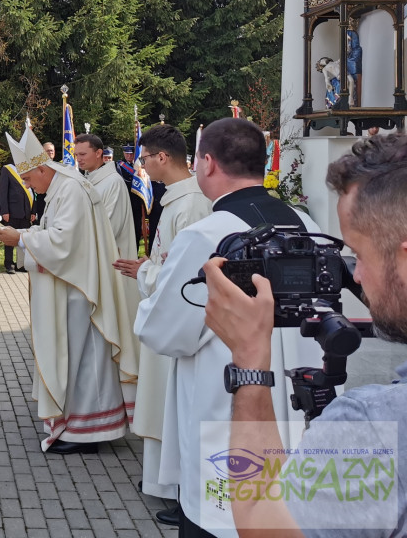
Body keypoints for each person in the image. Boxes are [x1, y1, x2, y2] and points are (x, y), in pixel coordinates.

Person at [202, 132, 407, 537]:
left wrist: (249, 362)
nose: (357, 277)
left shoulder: (374, 424)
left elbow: (265, 526)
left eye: (359, 255)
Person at [133, 118, 323, 536]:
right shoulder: (309, 227)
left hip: (229, 409)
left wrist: (147, 303)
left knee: (224, 516)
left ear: (207, 163)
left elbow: (165, 331)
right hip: (302, 408)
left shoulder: (209, 236)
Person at [0, 123, 139, 455]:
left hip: (81, 291)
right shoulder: (63, 186)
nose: (29, 186)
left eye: (29, 180)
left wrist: (20, 238)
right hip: (73, 286)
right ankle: (82, 426)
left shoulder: (69, 188)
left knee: (86, 361)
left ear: (42, 168)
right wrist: (29, 233)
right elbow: (56, 231)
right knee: (79, 359)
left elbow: (64, 242)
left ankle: (89, 433)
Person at [111, 124, 211, 526]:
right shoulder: (178, 200)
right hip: (163, 310)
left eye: (146, 158)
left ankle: (180, 490)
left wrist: (147, 272)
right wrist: (150, 268)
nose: (142, 165)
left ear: (163, 158)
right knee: (162, 404)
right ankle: (162, 482)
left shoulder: (190, 206)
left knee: (175, 406)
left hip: (176, 321)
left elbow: (182, 276)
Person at [74, 133, 136, 256]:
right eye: (76, 155)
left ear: (98, 153)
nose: (78, 159)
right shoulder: (87, 180)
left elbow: (109, 228)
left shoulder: (113, 182)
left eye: (83, 154)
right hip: (91, 252)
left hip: (109, 256)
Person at [0, 161, 34, 273]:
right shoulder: (7, 169)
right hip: (11, 212)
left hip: (26, 211)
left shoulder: (28, 168)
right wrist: (4, 211)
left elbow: (32, 191)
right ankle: (9, 264)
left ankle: (21, 264)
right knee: (9, 238)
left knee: (23, 238)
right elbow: (3, 192)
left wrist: (33, 211)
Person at [116, 145, 145, 253]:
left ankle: (135, 252)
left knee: (137, 229)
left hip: (136, 203)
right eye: (127, 153)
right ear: (123, 153)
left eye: (131, 153)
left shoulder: (140, 166)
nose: (129, 155)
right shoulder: (118, 166)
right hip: (124, 202)